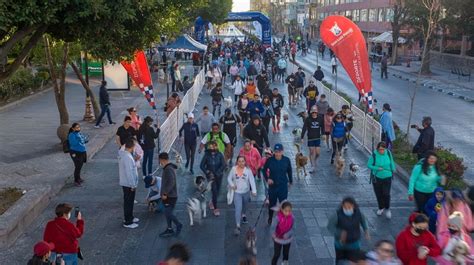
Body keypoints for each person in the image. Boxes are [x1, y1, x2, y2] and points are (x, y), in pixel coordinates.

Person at [327, 197, 369, 264]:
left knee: (353, 261)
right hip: (340, 245)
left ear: (354, 206)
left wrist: (366, 230)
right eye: (345, 207)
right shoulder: (337, 214)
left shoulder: (359, 214)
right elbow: (330, 227)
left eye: (349, 207)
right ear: (342, 205)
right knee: (340, 261)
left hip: (354, 244)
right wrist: (340, 233)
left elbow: (363, 222)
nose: (347, 209)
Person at [227, 156, 257, 235]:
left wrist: (254, 191)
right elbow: (229, 178)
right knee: (238, 208)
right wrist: (232, 185)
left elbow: (252, 180)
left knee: (244, 205)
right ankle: (238, 225)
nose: (241, 163)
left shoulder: (248, 170)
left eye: (242, 161)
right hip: (237, 193)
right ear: (237, 162)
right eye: (239, 161)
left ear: (245, 162)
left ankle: (243, 214)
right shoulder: (233, 169)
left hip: (246, 192)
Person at [264, 144, 293, 225]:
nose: (277, 154)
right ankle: (270, 217)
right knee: (272, 204)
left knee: (283, 203)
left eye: (279, 152)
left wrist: (291, 181)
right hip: (273, 186)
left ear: (282, 152)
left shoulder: (286, 160)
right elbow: (264, 170)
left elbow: (289, 171)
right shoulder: (270, 160)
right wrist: (267, 179)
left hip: (283, 186)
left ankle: (282, 220)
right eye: (276, 152)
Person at [367, 141, 396, 219]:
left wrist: (393, 168)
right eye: (380, 149)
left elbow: (392, 162)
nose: (381, 151)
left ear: (385, 148)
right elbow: (369, 165)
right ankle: (381, 207)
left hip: (387, 177)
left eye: (383, 149)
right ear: (377, 149)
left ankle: (387, 208)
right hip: (377, 177)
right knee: (379, 194)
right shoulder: (374, 155)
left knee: (386, 194)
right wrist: (377, 168)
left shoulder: (388, 153)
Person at [159, 152, 183, 237]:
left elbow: (171, 182)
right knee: (167, 212)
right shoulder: (169, 168)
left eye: (160, 161)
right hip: (169, 195)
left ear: (162, 160)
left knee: (168, 212)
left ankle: (178, 224)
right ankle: (169, 229)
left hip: (170, 196)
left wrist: (165, 193)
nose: (160, 163)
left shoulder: (168, 169)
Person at [200, 141, 226, 216]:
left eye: (213, 146)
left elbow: (223, 164)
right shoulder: (206, 155)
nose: (212, 148)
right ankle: (216, 208)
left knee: (218, 191)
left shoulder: (220, 154)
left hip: (219, 175)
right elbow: (202, 166)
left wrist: (218, 172)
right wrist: (207, 172)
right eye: (210, 146)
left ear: (216, 146)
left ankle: (212, 201)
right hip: (211, 176)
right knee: (214, 190)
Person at [118, 139, 139, 228]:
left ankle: (130, 217)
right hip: (128, 184)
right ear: (132, 147)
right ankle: (128, 222)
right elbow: (129, 172)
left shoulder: (124, 154)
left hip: (127, 183)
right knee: (128, 202)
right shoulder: (127, 157)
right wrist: (133, 184)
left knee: (130, 202)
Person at [301, 105, 323, 173]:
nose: (314, 114)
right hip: (310, 137)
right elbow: (304, 128)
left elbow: (322, 126)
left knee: (318, 153)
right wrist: (302, 137)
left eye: (315, 112)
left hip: (317, 137)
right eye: (313, 112)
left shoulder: (320, 118)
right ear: (311, 112)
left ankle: (315, 160)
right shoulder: (308, 119)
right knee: (311, 152)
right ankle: (312, 166)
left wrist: (324, 134)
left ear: (317, 112)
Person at [271, 201, 294, 265]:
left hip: (287, 240)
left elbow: (293, 228)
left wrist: (288, 234)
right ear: (282, 210)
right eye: (286, 211)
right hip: (278, 239)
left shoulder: (292, 218)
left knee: (286, 253)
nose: (287, 213)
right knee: (277, 254)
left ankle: (285, 262)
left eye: (289, 211)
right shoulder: (277, 218)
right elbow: (273, 228)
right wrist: (274, 235)